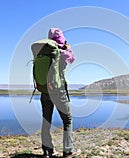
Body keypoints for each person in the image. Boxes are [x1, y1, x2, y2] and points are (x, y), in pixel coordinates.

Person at [39, 28, 80, 158]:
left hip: (45, 91)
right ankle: (68, 151)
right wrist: (68, 48)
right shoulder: (62, 52)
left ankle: (47, 152)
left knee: (46, 121)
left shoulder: (43, 51)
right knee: (67, 120)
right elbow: (72, 58)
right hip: (58, 91)